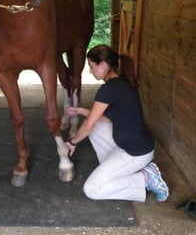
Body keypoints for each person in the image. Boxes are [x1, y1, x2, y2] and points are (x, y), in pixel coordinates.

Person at [64, 44, 169, 202]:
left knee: (92, 189)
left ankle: (145, 178)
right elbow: (106, 118)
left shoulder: (108, 90)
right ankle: (119, 170)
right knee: (97, 126)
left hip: (135, 153)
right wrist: (79, 111)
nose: (90, 71)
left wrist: (72, 142)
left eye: (92, 66)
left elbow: (87, 126)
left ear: (104, 65)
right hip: (137, 146)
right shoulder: (119, 84)